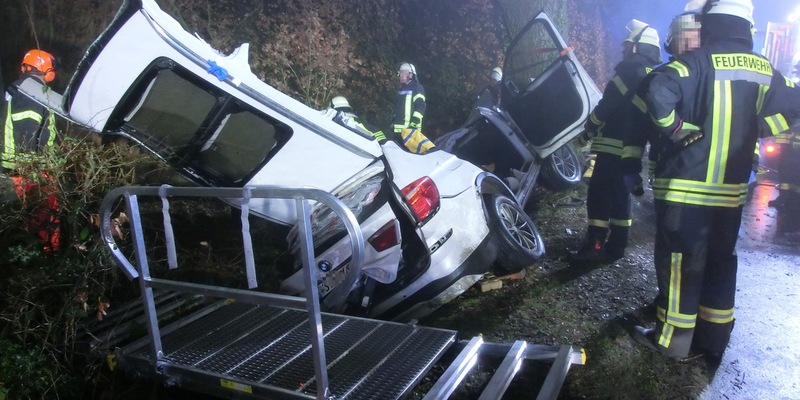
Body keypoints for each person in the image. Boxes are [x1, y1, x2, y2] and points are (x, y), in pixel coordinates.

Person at [632, 0, 800, 361]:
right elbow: (795, 104)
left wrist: (676, 129)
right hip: (731, 192)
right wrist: (758, 128)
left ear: (711, 23)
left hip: (686, 188)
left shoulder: (695, 62)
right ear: (746, 27)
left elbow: (657, 90)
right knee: (721, 262)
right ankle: (713, 340)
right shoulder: (765, 69)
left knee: (681, 263)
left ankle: (672, 342)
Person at [569, 20, 662, 263]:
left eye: (627, 45)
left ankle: (595, 245)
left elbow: (607, 105)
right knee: (621, 196)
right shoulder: (654, 74)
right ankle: (617, 246)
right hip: (633, 148)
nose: (624, 49)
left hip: (612, 144)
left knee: (599, 194)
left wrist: (588, 131)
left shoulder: (629, 70)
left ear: (636, 47)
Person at [1, 49, 61, 252]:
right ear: (48, 72)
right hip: (30, 174)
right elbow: (27, 133)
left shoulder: (20, 89)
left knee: (23, 224)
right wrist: (34, 171)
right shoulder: (32, 93)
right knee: (45, 223)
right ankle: (46, 257)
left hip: (19, 171)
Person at [391, 62, 434, 154]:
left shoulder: (417, 88)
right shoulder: (401, 89)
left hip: (410, 131)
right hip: (398, 131)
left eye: (403, 72)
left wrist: (414, 123)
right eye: (400, 72)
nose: (400, 75)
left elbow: (420, 106)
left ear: (411, 74)